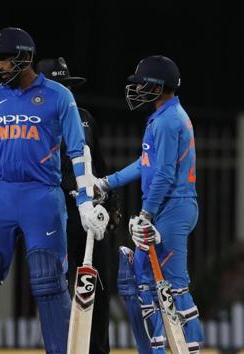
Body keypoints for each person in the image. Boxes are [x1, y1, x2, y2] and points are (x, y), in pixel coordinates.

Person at [0, 27, 108, 354]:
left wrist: (83, 201)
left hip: (42, 197)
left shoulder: (58, 95)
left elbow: (78, 152)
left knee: (48, 282)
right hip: (0, 197)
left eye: (3, 61)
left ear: (24, 58)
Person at [96, 55, 203, 353]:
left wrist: (147, 213)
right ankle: (155, 349)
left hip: (172, 208)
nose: (138, 88)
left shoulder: (168, 121)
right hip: (171, 207)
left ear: (159, 86)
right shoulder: (165, 115)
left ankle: (188, 349)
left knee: (174, 287)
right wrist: (106, 182)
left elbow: (165, 173)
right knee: (145, 281)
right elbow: (147, 164)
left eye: (143, 83)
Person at [36, 57, 118, 354]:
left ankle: (98, 350)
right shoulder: (33, 119)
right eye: (58, 86)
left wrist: (112, 204)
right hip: (56, 213)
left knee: (98, 284)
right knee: (56, 288)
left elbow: (98, 162)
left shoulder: (84, 117)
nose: (65, 92)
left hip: (89, 214)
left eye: (67, 86)